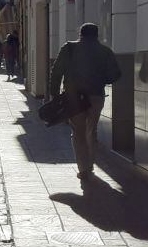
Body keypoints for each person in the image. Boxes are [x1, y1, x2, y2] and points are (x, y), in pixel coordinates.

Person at [48, 23, 122, 180]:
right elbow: (116, 74)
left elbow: (56, 71)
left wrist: (54, 93)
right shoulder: (105, 51)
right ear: (97, 35)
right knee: (91, 130)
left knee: (78, 132)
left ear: (80, 34)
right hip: (96, 96)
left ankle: (84, 169)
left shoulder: (69, 48)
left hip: (74, 97)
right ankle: (90, 165)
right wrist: (101, 80)